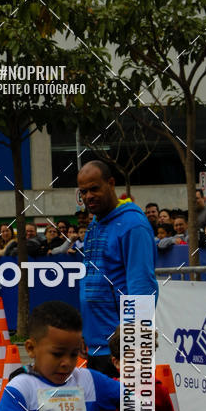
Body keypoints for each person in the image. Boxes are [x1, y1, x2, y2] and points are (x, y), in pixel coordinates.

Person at [77, 160, 157, 376]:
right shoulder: (95, 224)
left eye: (94, 188)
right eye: (83, 191)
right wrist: (84, 330)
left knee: (133, 409)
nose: (88, 196)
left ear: (111, 183)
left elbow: (142, 285)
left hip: (122, 349)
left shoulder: (134, 225)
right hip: (95, 346)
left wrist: (132, 339)